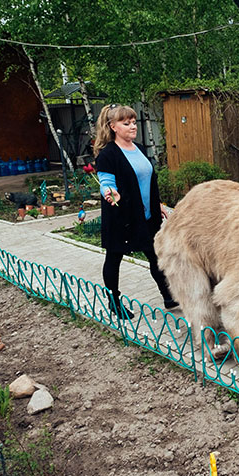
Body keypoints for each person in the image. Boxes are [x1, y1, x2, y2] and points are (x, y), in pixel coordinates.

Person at [93, 103, 178, 319]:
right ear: (113, 126)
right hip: (122, 218)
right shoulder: (108, 155)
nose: (132, 126)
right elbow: (105, 182)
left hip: (146, 217)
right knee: (114, 258)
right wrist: (110, 192)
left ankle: (168, 296)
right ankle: (114, 302)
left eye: (133, 122)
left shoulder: (138, 148)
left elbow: (146, 180)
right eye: (126, 123)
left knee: (155, 255)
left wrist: (156, 204)